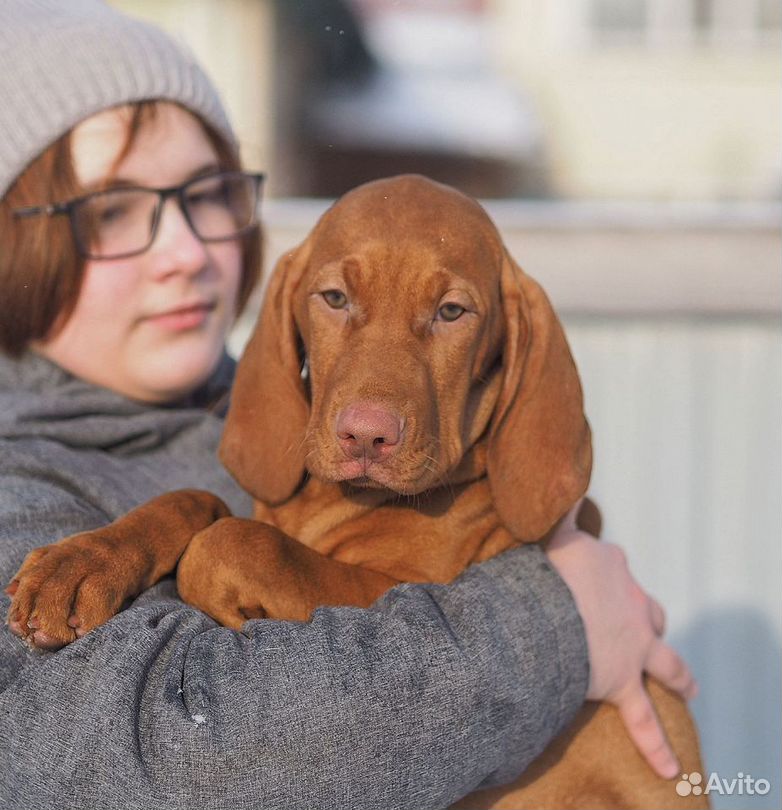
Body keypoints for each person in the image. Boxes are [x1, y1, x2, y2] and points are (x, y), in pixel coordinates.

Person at [0, 2, 695, 808]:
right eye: (111, 211)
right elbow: (180, 763)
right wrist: (558, 624)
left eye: (209, 194)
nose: (185, 253)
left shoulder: (273, 411)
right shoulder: (25, 492)